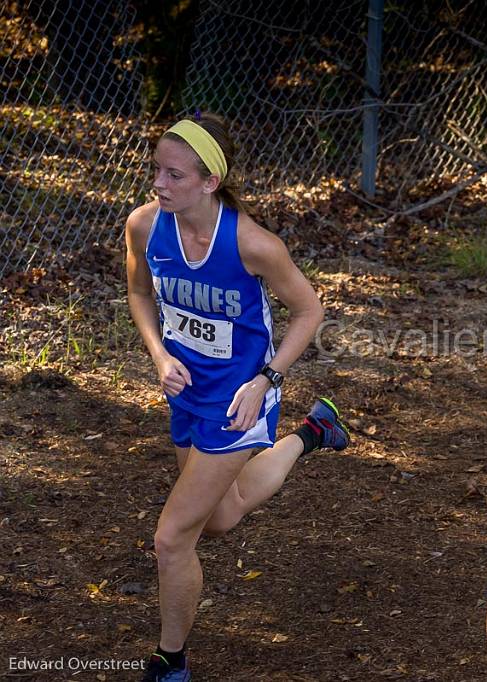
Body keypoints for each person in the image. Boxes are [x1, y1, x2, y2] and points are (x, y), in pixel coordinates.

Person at [125, 112, 351, 682]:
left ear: (209, 182)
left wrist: (267, 379)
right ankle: (311, 434)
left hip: (238, 401)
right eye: (157, 170)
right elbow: (137, 292)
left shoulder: (253, 243)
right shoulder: (145, 226)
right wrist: (159, 355)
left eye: (175, 175)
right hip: (185, 392)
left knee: (173, 539)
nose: (159, 184)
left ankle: (169, 662)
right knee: (219, 520)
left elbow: (310, 310)